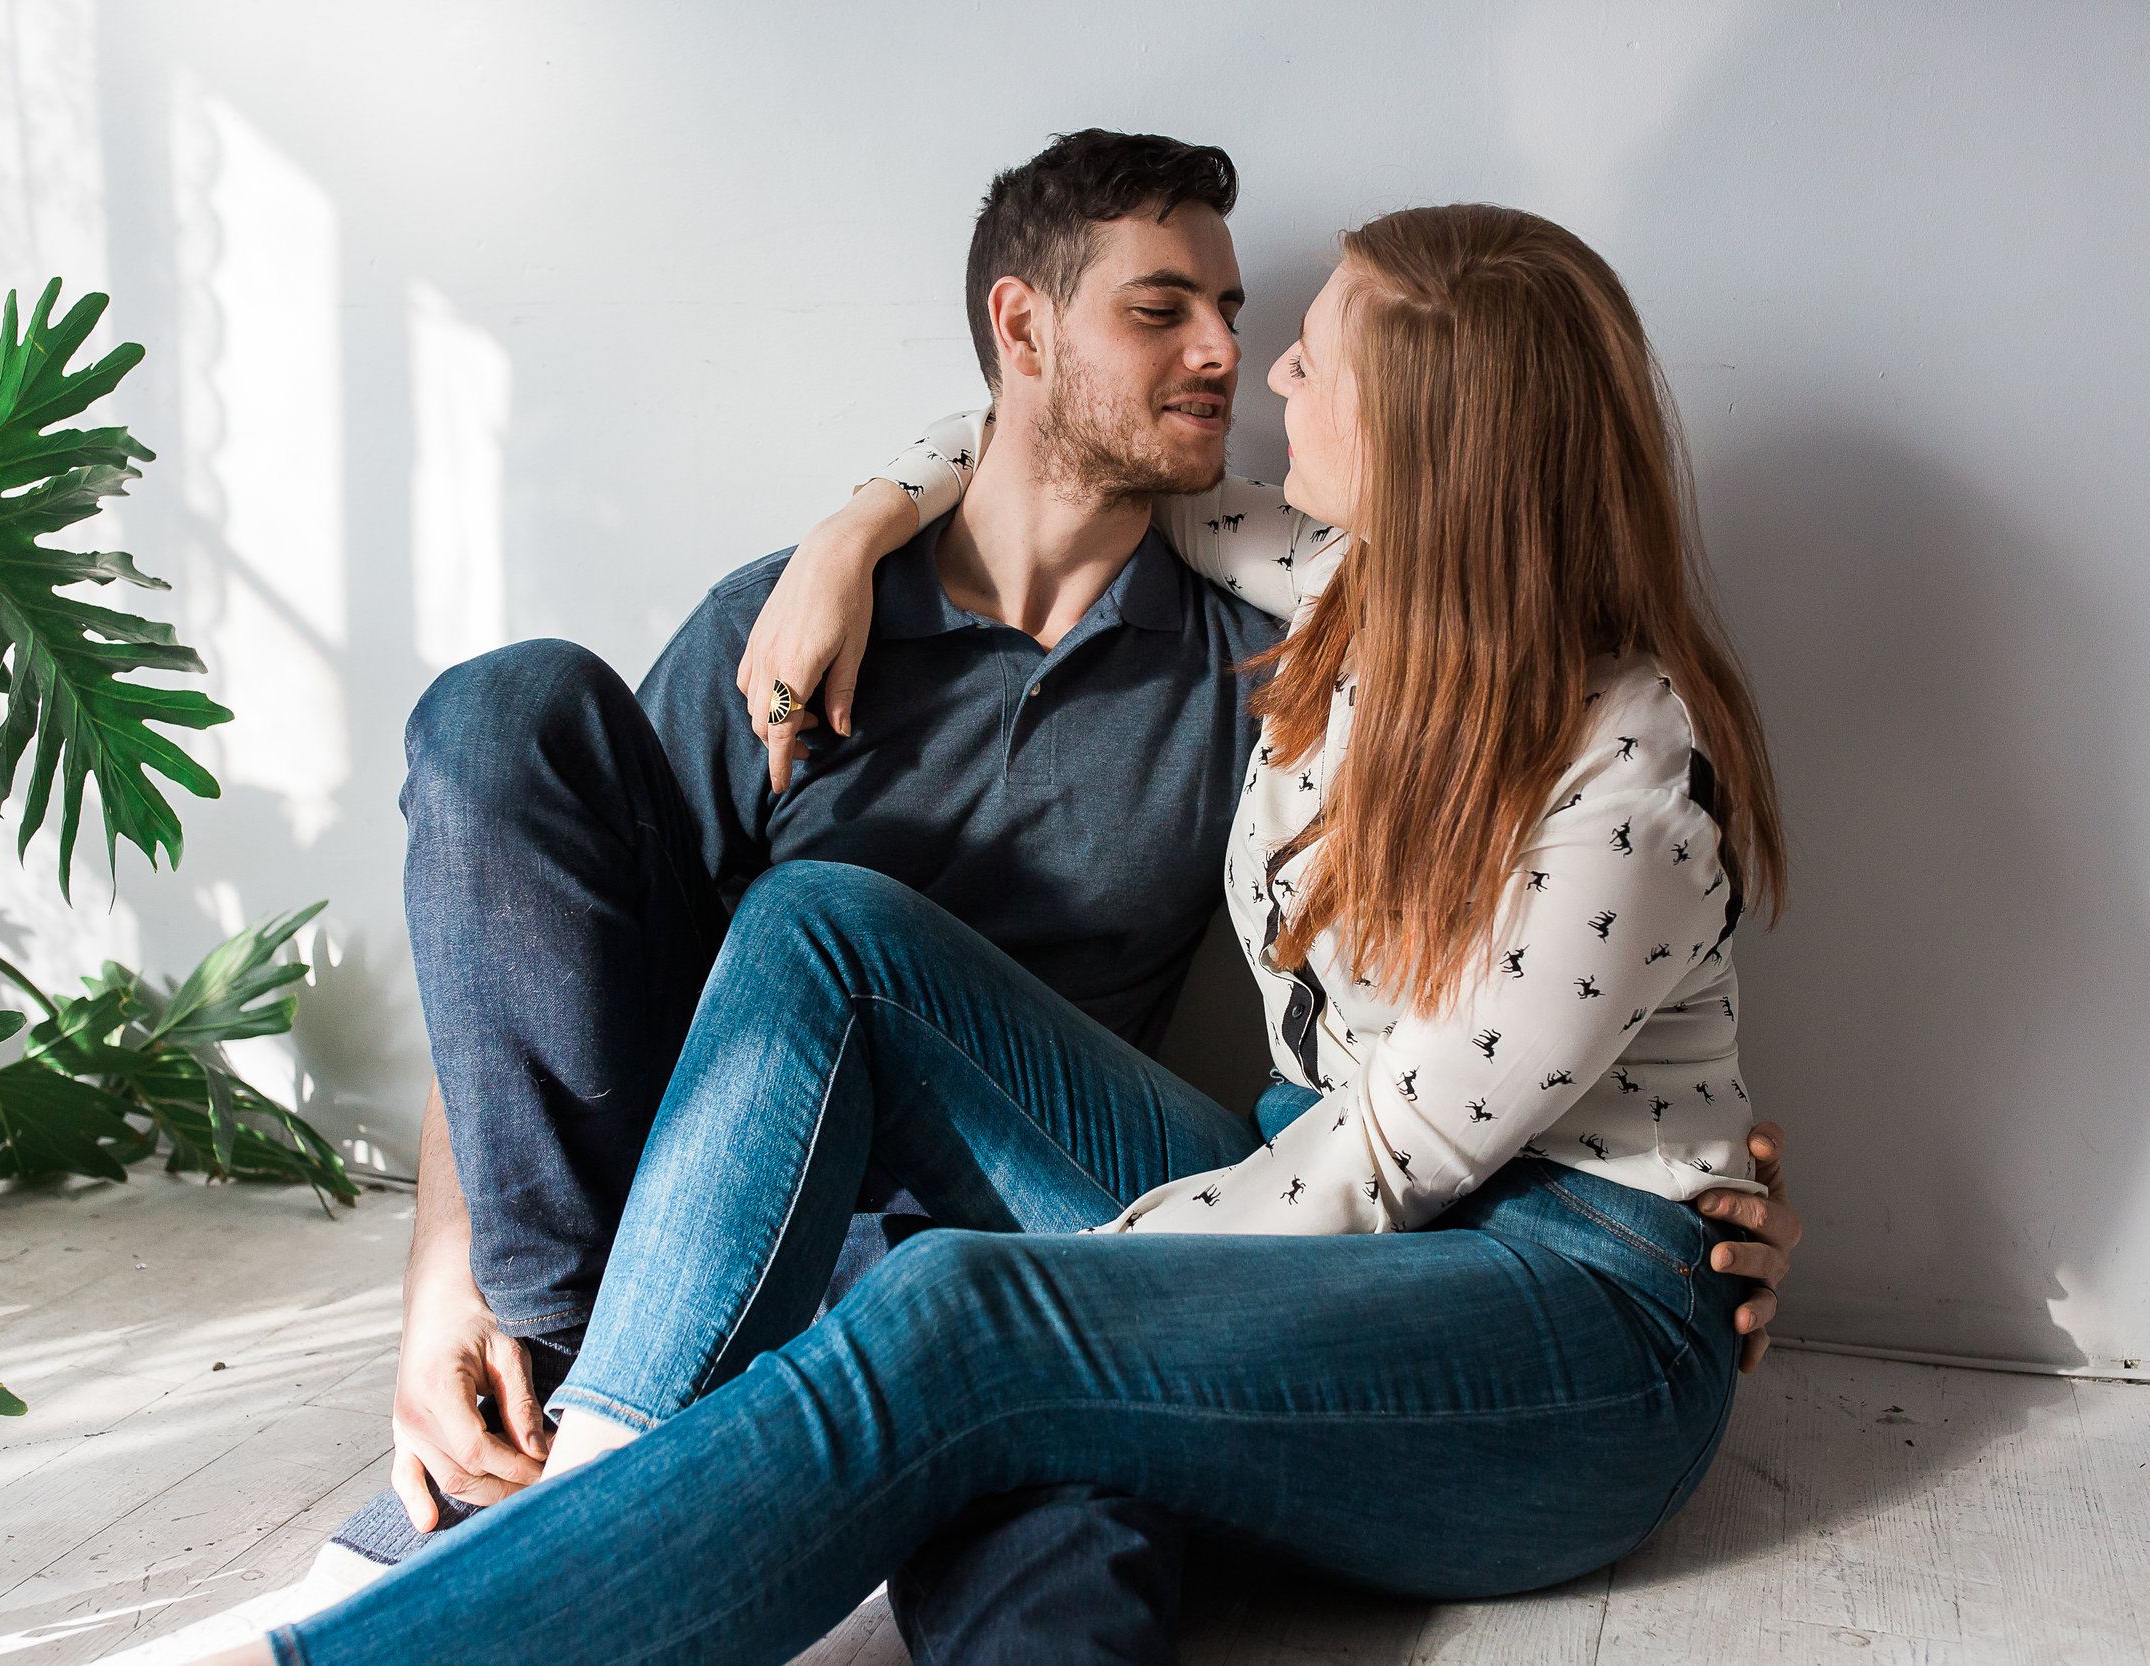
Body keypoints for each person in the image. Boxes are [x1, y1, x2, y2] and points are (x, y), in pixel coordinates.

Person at [217, 200, 1797, 1666]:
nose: (1273, 368)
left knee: (964, 1314)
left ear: (1435, 436)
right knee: (825, 921)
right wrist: (857, 527)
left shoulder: (1632, 770)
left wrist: (1073, 1277)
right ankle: (607, 1466)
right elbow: (1038, 459)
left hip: (1564, 1309)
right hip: (1308, 1174)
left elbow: (1387, 1164)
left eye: (1318, 350)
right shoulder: (1340, 587)